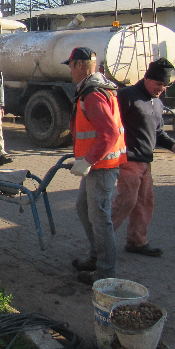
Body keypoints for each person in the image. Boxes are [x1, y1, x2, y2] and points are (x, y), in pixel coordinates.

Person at [111, 58, 175, 257]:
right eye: (158, 84)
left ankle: (137, 241)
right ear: (146, 78)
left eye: (164, 85)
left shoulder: (157, 103)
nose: (161, 88)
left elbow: (159, 132)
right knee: (126, 201)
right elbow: (111, 125)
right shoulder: (127, 96)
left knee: (144, 203)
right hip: (127, 159)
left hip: (145, 161)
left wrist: (174, 146)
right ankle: (102, 242)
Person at [64, 47, 127, 285]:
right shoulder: (97, 89)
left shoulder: (93, 95)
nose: (70, 71)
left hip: (102, 166)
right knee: (83, 207)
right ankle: (95, 257)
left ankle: (105, 272)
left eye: (71, 65)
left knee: (99, 217)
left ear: (80, 65)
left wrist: (89, 160)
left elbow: (109, 134)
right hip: (97, 165)